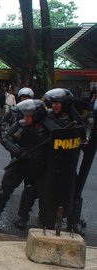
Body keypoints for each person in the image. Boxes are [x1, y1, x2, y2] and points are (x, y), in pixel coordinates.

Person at [0, 99, 50, 230]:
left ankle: (23, 217)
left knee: (31, 190)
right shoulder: (21, 125)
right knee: (3, 190)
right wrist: (17, 150)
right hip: (20, 163)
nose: (25, 118)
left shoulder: (49, 129)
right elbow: (5, 137)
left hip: (38, 165)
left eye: (28, 116)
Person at [42, 88, 86, 233]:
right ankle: (47, 219)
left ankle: (73, 221)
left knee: (74, 191)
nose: (54, 105)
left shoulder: (76, 120)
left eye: (58, 103)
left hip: (68, 162)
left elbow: (82, 141)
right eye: (53, 102)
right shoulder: (47, 117)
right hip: (51, 160)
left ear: (65, 104)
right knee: (47, 190)